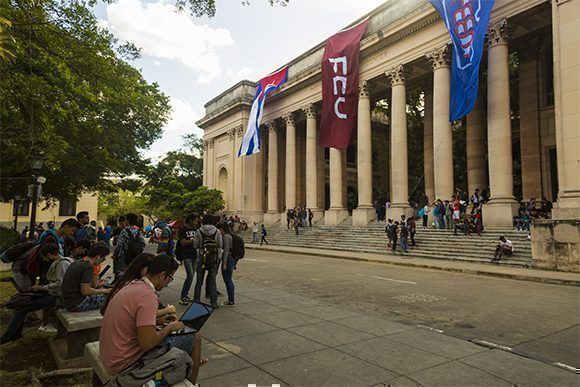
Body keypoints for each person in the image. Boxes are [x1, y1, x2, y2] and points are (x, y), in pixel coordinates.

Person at [99, 255, 203, 385]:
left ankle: (188, 365)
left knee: (181, 340)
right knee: (195, 339)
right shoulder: (147, 295)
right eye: (169, 279)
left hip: (111, 355)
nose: (167, 284)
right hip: (124, 362)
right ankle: (191, 383)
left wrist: (158, 321)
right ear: (162, 275)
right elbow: (147, 343)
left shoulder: (132, 285)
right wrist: (169, 327)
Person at [0, 244, 74, 344]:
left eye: (44, 257)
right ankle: (13, 334)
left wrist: (43, 288)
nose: (44, 259)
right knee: (21, 305)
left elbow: (61, 284)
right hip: (52, 294)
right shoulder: (65, 261)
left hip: (55, 297)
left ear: (49, 255)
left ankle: (9, 336)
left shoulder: (61, 264)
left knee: (21, 306)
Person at [61, 242, 111, 311]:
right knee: (111, 300)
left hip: (68, 302)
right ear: (98, 256)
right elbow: (85, 291)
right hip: (77, 304)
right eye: (103, 259)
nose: (102, 261)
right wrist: (105, 291)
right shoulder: (88, 267)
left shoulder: (77, 262)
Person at [193, 215, 223, 309]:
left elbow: (195, 245)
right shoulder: (217, 231)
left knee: (199, 281)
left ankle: (196, 300)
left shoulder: (199, 231)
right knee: (212, 281)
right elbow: (220, 244)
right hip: (214, 259)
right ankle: (213, 302)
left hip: (201, 259)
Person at [112, 213, 145, 278]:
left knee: (121, 274)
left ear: (128, 220)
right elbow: (143, 242)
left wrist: (115, 254)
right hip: (135, 255)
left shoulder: (124, 231)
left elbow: (119, 245)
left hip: (124, 255)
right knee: (131, 273)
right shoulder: (137, 231)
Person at [177, 214, 198, 305]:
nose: (196, 223)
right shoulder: (182, 229)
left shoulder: (195, 229)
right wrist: (193, 241)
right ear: (190, 220)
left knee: (192, 276)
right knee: (189, 275)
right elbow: (183, 242)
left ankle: (185, 295)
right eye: (195, 221)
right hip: (186, 255)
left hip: (194, 254)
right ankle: (183, 296)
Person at [217, 223, 236, 306]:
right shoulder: (230, 236)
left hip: (228, 259)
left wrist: (224, 263)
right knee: (228, 279)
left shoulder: (226, 237)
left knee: (228, 279)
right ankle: (231, 299)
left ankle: (231, 300)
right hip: (231, 259)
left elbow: (226, 250)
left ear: (222, 229)